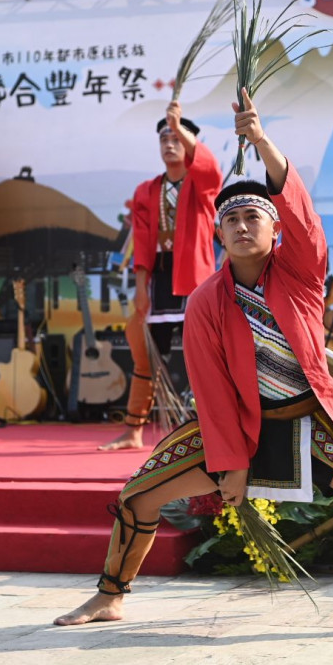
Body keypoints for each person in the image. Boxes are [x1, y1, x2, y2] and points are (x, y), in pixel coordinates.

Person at [55, 89, 333, 634]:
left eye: (254, 217)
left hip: (312, 421)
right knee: (137, 495)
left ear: (275, 230)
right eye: (232, 221)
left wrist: (261, 140)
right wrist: (232, 464)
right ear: (218, 234)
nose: (243, 227)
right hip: (236, 427)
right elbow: (212, 390)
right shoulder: (205, 301)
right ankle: (110, 596)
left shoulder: (300, 274)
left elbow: (302, 212)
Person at [98, 101, 222, 450]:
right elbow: (142, 241)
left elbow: (211, 170)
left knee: (205, 356)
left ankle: (212, 428)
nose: (169, 143)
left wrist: (179, 124)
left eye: (176, 138)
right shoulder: (147, 191)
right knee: (148, 354)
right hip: (159, 278)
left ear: (190, 144)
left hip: (195, 279)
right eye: (164, 137)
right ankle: (134, 430)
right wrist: (141, 287)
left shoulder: (202, 185)